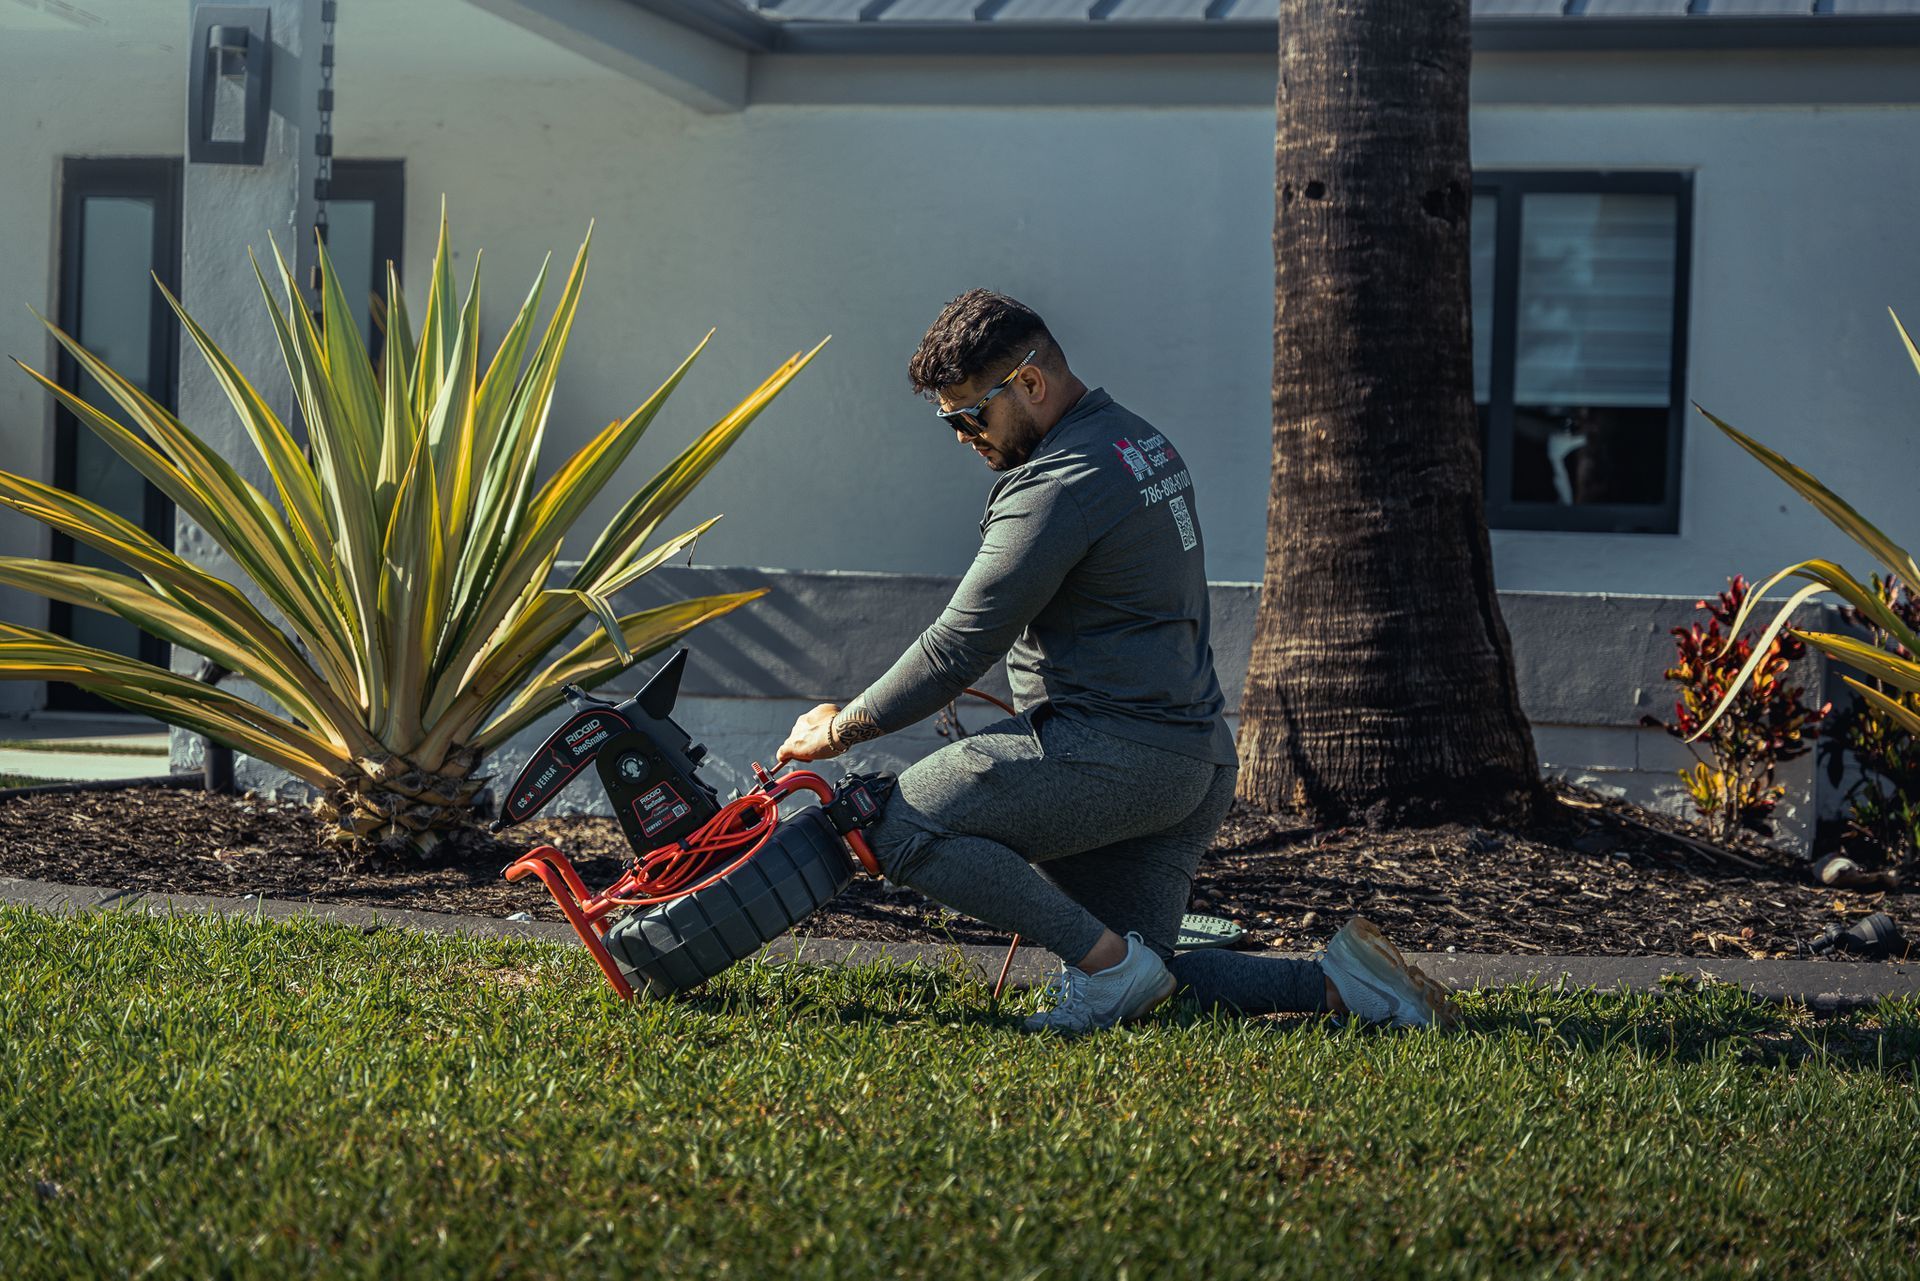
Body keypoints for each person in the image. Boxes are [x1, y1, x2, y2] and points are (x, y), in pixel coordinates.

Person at [777, 290, 1455, 1035]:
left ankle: (1109, 972)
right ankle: (1346, 988)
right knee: (1145, 971)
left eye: (971, 414)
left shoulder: (1058, 485)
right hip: (1190, 763)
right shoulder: (1139, 443)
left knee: (890, 824)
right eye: (950, 420)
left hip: (1112, 756)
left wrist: (841, 727)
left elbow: (957, 647)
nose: (964, 435)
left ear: (1030, 385)